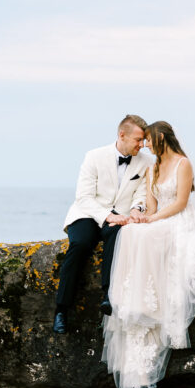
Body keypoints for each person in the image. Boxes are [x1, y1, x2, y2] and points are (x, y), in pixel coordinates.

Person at [101, 121, 195, 388]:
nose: (146, 146)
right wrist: (141, 217)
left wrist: (152, 219)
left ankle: (148, 303)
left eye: (148, 140)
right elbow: (150, 205)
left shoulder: (183, 164)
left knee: (145, 233)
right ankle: (135, 303)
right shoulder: (153, 168)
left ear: (161, 138)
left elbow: (180, 203)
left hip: (179, 221)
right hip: (159, 219)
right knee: (131, 233)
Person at [53, 115, 154, 334]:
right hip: (88, 213)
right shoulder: (94, 156)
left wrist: (137, 209)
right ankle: (61, 309)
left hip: (122, 217)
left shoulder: (146, 162)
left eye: (143, 140)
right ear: (122, 135)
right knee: (80, 244)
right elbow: (84, 197)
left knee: (117, 237)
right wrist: (108, 216)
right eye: (138, 139)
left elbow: (142, 193)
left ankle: (109, 297)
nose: (142, 145)